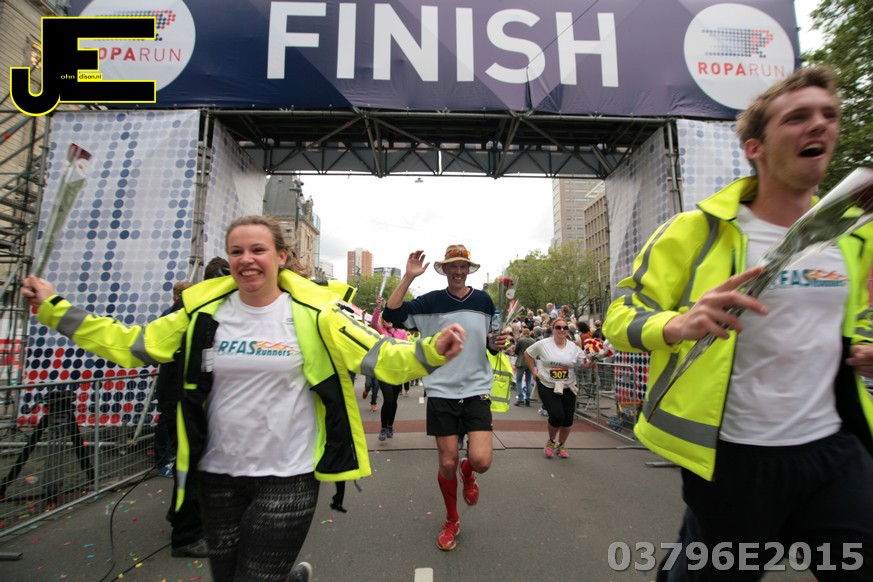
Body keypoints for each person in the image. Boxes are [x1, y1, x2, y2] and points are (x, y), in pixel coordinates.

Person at [22, 215, 465, 582]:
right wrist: (53, 308)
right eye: (237, 251)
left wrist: (430, 352)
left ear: (281, 257)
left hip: (288, 474)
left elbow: (380, 356)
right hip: (218, 476)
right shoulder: (203, 313)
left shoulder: (318, 313)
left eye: (258, 249)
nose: (246, 259)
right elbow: (133, 344)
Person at [604, 65, 873, 581]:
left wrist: (864, 346)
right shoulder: (694, 231)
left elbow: (853, 321)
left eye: (828, 115)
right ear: (755, 148)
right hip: (736, 461)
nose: (819, 125)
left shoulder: (854, 237)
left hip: (834, 452)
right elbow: (620, 317)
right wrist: (679, 324)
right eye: (797, 117)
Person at [382, 245, 505, 552]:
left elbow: (490, 342)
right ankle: (452, 519)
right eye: (453, 266)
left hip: (477, 389)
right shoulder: (430, 302)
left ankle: (469, 471)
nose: (458, 272)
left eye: (463, 266)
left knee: (482, 461)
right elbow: (391, 315)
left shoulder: (484, 301)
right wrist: (408, 277)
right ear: (445, 270)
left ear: (469, 269)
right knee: (447, 462)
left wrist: (497, 343)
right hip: (441, 390)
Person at [523, 317, 586, 458]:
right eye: (558, 327)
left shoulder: (573, 347)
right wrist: (534, 371)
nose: (562, 330)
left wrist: (593, 360)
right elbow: (527, 353)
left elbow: (582, 363)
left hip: (568, 385)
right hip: (548, 384)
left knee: (568, 419)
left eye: (565, 328)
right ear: (553, 329)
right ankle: (551, 441)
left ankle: (562, 444)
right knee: (557, 416)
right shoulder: (543, 343)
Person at [371, 295, 409, 440]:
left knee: (393, 401)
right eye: (385, 319)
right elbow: (373, 324)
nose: (388, 321)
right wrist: (378, 307)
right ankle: (383, 428)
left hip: (398, 372)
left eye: (390, 318)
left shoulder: (402, 333)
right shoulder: (382, 332)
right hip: (384, 371)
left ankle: (390, 425)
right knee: (388, 400)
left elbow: (407, 350)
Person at [513, 328, 535, 406]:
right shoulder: (533, 341)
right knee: (528, 381)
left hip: (521, 362)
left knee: (518, 381)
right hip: (530, 362)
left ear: (523, 333)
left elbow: (516, 351)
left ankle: (520, 399)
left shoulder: (521, 340)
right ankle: (528, 399)